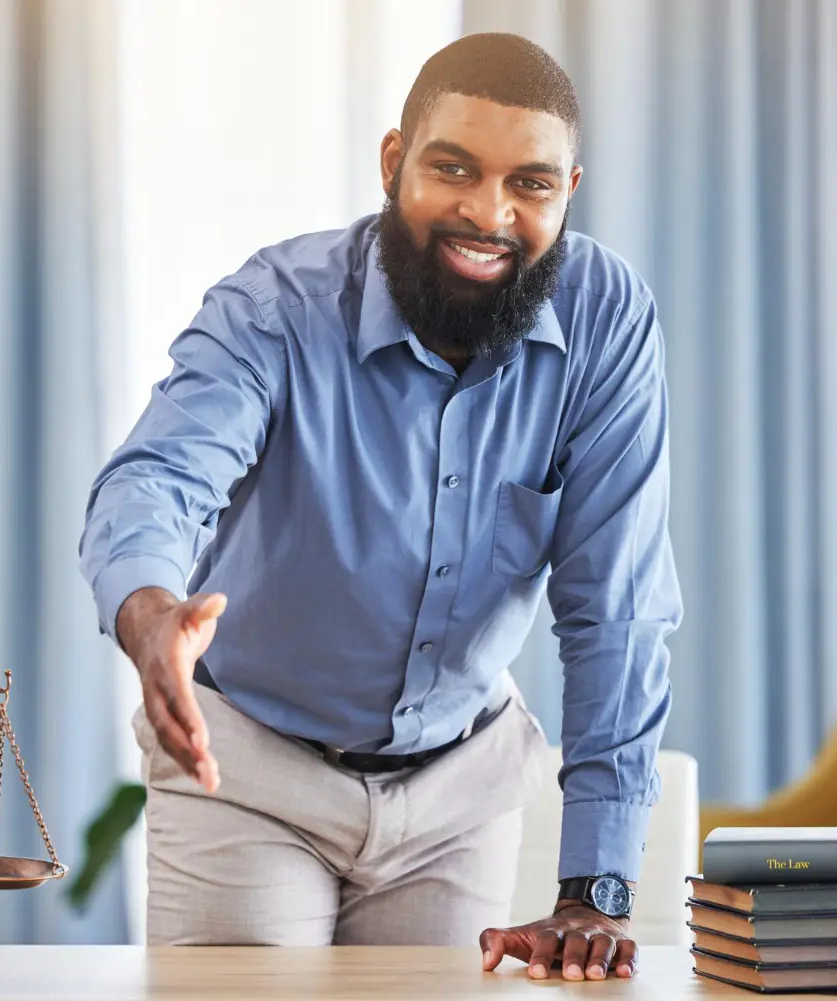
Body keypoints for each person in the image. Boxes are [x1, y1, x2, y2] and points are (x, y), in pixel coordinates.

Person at [79, 31, 681, 983]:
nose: (488, 214)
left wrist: (592, 889)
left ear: (568, 192)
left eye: (528, 184)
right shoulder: (277, 306)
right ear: (395, 162)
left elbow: (618, 607)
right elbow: (158, 477)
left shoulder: (609, 322)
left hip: (455, 790)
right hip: (250, 778)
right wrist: (151, 608)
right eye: (454, 169)